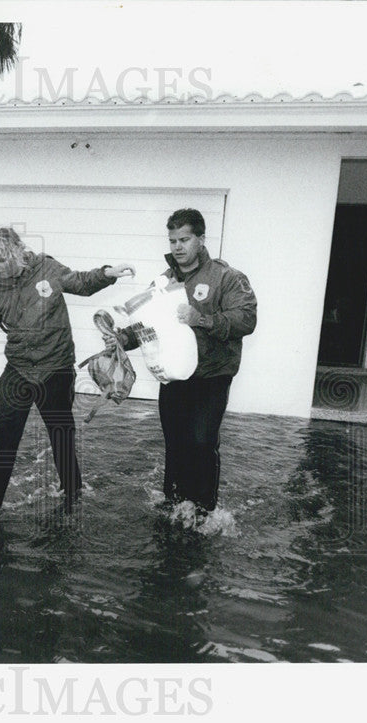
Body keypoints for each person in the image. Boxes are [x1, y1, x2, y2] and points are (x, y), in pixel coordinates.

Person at [0, 227, 134, 514]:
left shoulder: (47, 267)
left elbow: (81, 282)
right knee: (2, 436)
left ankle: (72, 493)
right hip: (19, 367)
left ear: (17, 254)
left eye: (1, 261)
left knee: (61, 434)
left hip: (55, 366)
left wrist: (107, 273)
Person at [106, 208, 257, 518]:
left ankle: (204, 511)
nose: (177, 246)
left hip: (211, 375)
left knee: (201, 443)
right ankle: (174, 505)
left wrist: (200, 318)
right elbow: (148, 327)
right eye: (173, 240)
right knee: (175, 444)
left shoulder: (227, 277)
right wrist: (123, 339)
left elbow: (246, 319)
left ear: (200, 239)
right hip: (173, 376)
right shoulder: (162, 280)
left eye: (184, 239)